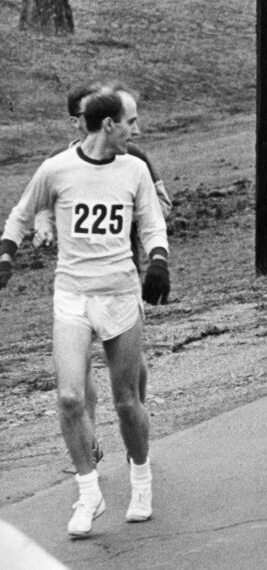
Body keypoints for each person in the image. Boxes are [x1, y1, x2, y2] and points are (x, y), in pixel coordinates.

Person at [0, 89, 171, 537]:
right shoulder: (57, 168)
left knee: (126, 400)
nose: (137, 130)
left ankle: (141, 479)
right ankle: (89, 492)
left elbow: (152, 223)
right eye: (131, 122)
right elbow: (21, 214)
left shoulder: (134, 168)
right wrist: (6, 254)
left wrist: (158, 261)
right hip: (72, 295)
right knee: (70, 398)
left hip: (119, 294)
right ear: (108, 124)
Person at [34, 82, 171, 467]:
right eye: (85, 114)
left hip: (122, 274)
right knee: (77, 371)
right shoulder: (59, 162)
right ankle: (88, 437)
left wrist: (143, 211)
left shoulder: (132, 157)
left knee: (132, 367)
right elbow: (42, 205)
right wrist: (44, 226)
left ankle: (135, 424)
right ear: (76, 120)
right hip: (76, 280)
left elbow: (159, 204)